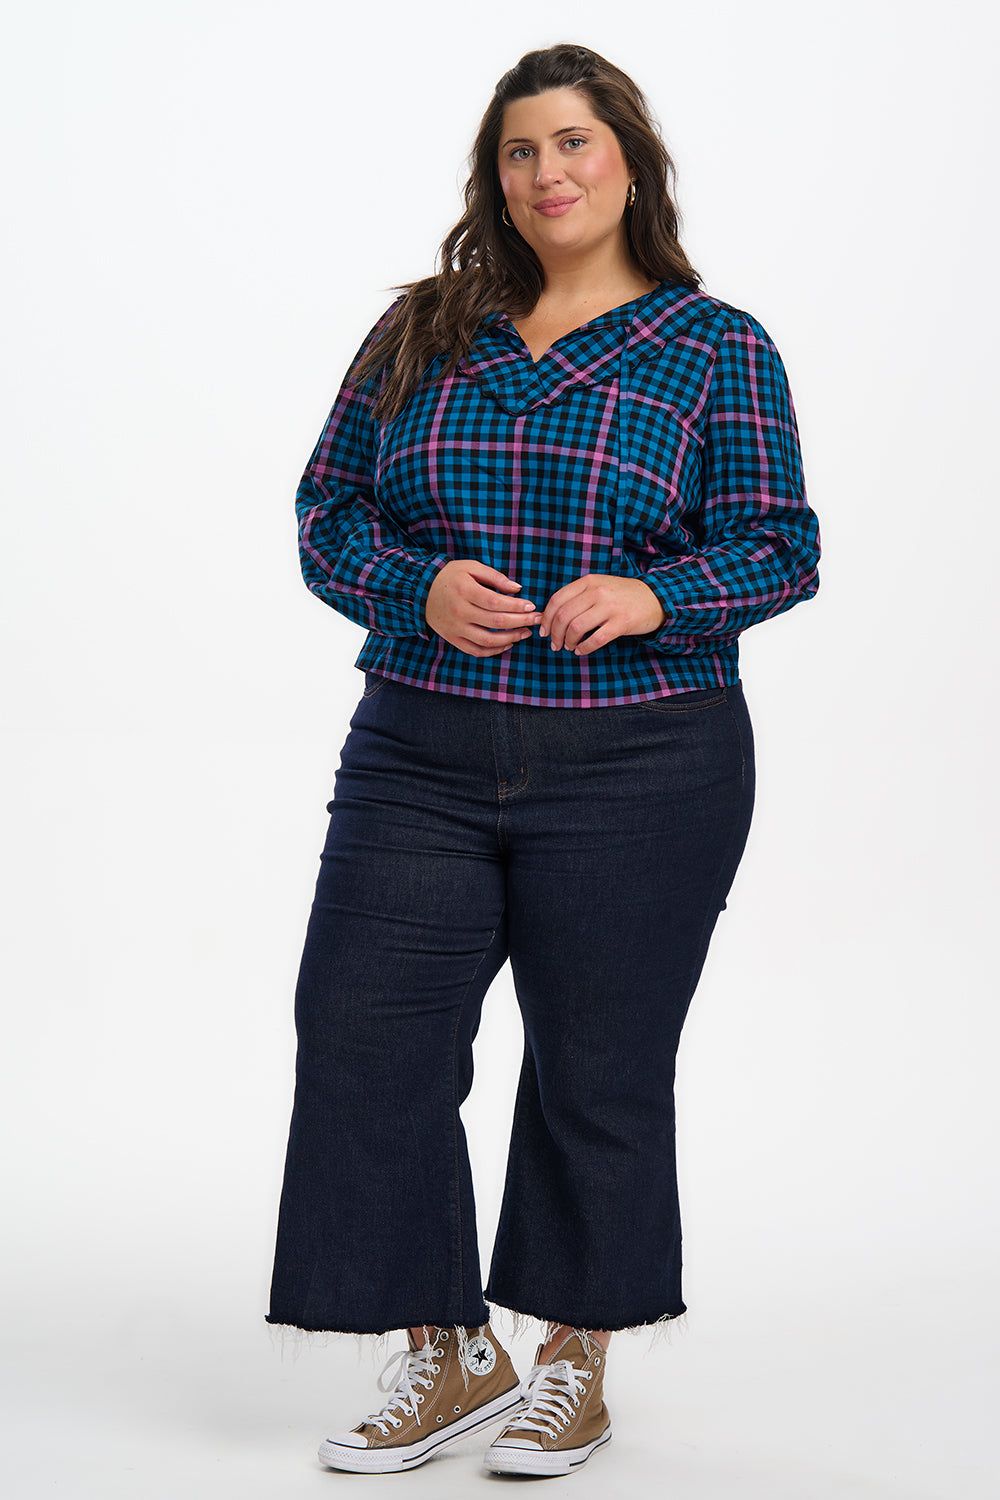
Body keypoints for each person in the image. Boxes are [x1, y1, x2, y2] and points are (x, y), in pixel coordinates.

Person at [266, 41, 820, 1479]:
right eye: (519, 152)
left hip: (647, 765)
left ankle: (574, 1359)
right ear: (494, 178)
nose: (546, 174)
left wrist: (657, 598)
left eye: (572, 144)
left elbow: (782, 544)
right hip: (420, 750)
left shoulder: (717, 348)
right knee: (363, 1036)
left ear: (628, 162)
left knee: (599, 1069)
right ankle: (447, 1359)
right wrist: (417, 589)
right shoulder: (419, 337)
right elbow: (328, 513)